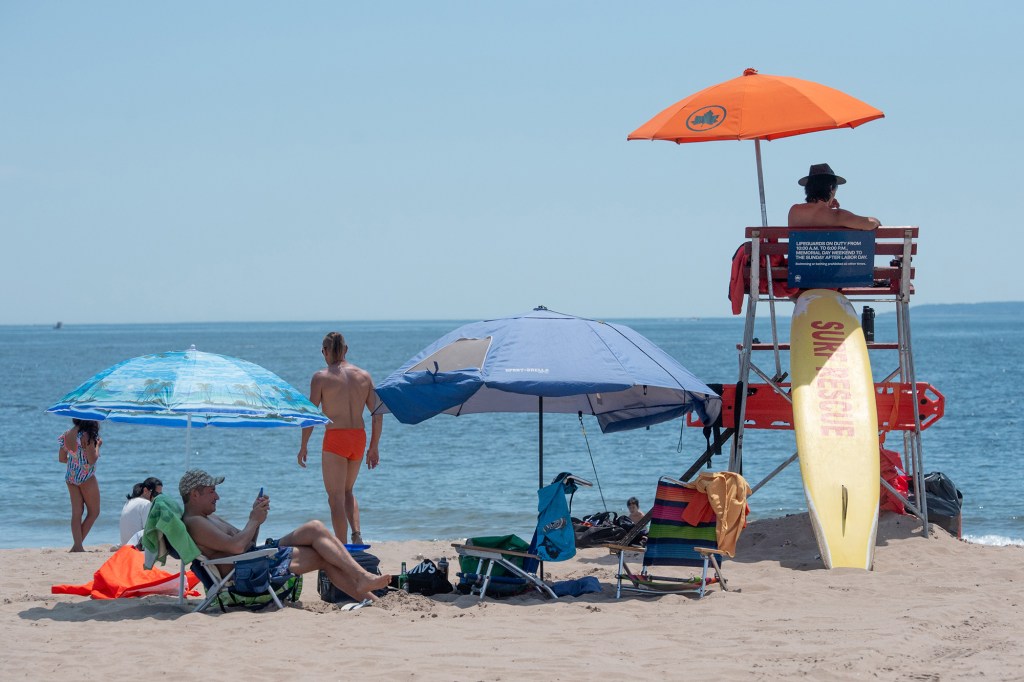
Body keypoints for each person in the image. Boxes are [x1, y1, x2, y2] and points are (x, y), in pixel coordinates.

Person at [179, 469, 390, 603]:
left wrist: (257, 518)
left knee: (314, 528)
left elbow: (246, 543)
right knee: (324, 554)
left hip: (253, 558)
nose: (217, 496)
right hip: (250, 570)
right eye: (211, 491)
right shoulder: (195, 522)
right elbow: (236, 549)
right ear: (195, 495)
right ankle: (368, 592)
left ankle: (364, 580)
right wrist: (253, 520)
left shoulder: (208, 517)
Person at [297, 331, 382, 545]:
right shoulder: (364, 375)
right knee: (347, 491)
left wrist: (303, 446)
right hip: (359, 438)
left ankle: (342, 547)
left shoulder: (321, 377)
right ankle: (357, 535)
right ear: (346, 349)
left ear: (324, 351)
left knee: (335, 497)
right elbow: (377, 412)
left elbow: (310, 416)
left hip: (336, 437)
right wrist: (374, 447)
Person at [788, 163, 881, 231]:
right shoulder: (837, 216)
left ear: (808, 188)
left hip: (797, 258)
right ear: (831, 188)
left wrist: (826, 206)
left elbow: (815, 215)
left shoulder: (794, 211)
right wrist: (876, 221)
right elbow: (870, 223)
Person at [57, 418, 102, 552]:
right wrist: (98, 445)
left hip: (71, 475)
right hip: (86, 476)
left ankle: (77, 546)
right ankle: (77, 545)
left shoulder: (66, 434)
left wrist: (76, 461)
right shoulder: (87, 435)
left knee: (77, 512)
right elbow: (92, 460)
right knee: (94, 512)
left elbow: (62, 459)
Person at [119, 477, 162, 547]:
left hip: (125, 545)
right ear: (145, 490)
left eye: (160, 494)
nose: (158, 497)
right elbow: (149, 530)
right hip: (136, 546)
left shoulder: (129, 502)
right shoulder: (146, 503)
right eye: (156, 493)